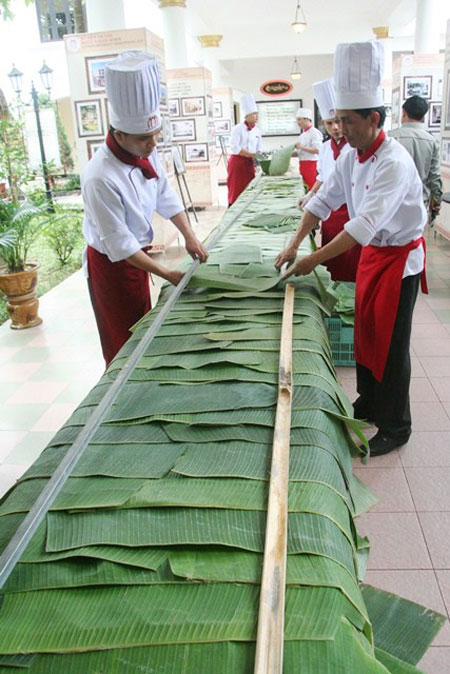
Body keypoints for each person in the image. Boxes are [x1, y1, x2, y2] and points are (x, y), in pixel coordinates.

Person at [276, 40, 428, 456]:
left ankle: (397, 425)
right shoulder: (352, 155)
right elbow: (322, 202)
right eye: (337, 120)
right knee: (366, 332)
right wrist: (293, 245)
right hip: (373, 258)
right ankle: (370, 401)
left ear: (374, 118)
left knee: (393, 345)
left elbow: (362, 227)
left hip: (399, 262)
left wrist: (311, 260)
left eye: (347, 121)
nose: (340, 129)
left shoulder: (394, 162)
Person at [82, 51, 208, 367]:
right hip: (112, 267)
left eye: (156, 136)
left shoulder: (146, 154)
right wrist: (167, 273)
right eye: (144, 138)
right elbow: (120, 244)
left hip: (137, 258)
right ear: (118, 134)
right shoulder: (99, 176)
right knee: (122, 338)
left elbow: (166, 195)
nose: (152, 145)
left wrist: (189, 235)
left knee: (141, 326)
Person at [299, 78, 360, 281]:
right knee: (332, 263)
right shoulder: (325, 149)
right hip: (330, 214)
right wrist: (310, 194)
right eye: (329, 123)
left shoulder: (354, 148)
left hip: (350, 213)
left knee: (350, 263)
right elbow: (323, 178)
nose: (335, 128)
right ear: (323, 124)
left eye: (338, 122)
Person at [389, 95, 442, 222]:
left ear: (404, 113)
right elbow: (434, 178)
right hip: (419, 203)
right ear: (424, 116)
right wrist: (435, 206)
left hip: (393, 202)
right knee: (415, 240)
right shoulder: (432, 141)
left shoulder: (390, 138)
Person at [227, 94, 262, 206]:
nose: (257, 117)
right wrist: (251, 154)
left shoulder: (257, 130)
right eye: (254, 114)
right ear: (247, 115)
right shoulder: (237, 129)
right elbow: (234, 147)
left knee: (249, 188)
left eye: (257, 114)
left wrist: (259, 155)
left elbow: (259, 147)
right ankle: (232, 209)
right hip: (237, 163)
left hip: (249, 163)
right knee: (236, 190)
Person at [295, 107, 323, 190]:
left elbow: (318, 150)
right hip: (302, 165)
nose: (298, 122)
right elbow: (300, 151)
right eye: (297, 120)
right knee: (305, 188)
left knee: (313, 189)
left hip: (312, 165)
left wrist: (302, 147)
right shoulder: (302, 135)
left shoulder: (315, 133)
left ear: (307, 119)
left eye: (299, 120)